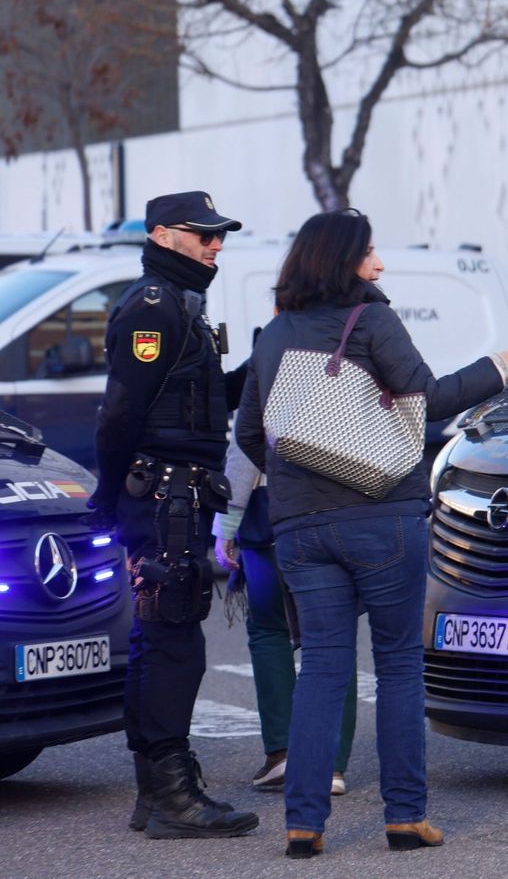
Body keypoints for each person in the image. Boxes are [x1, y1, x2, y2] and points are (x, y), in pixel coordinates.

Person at [235, 209, 508, 858]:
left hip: (300, 524)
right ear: (342, 261)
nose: (379, 263)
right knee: (397, 666)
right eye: (369, 253)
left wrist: (302, 466)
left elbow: (251, 432)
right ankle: (405, 818)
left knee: (321, 668)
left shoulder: (272, 335)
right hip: (380, 513)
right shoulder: (370, 320)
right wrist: (504, 364)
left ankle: (304, 823)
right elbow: (427, 396)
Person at [89, 191, 260, 840]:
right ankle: (170, 796)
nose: (216, 245)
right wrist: (108, 495)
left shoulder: (181, 305)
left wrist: (256, 368)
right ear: (162, 235)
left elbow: (199, 402)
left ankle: (156, 792)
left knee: (162, 637)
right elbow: (120, 413)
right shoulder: (154, 306)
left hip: (176, 493)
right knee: (174, 642)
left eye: (221, 236)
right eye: (203, 235)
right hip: (165, 495)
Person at [213, 436, 359, 795]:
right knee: (332, 634)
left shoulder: (266, 377)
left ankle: (283, 753)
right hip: (343, 513)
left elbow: (245, 453)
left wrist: (225, 528)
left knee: (269, 629)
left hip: (273, 516)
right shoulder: (360, 376)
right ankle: (331, 765)